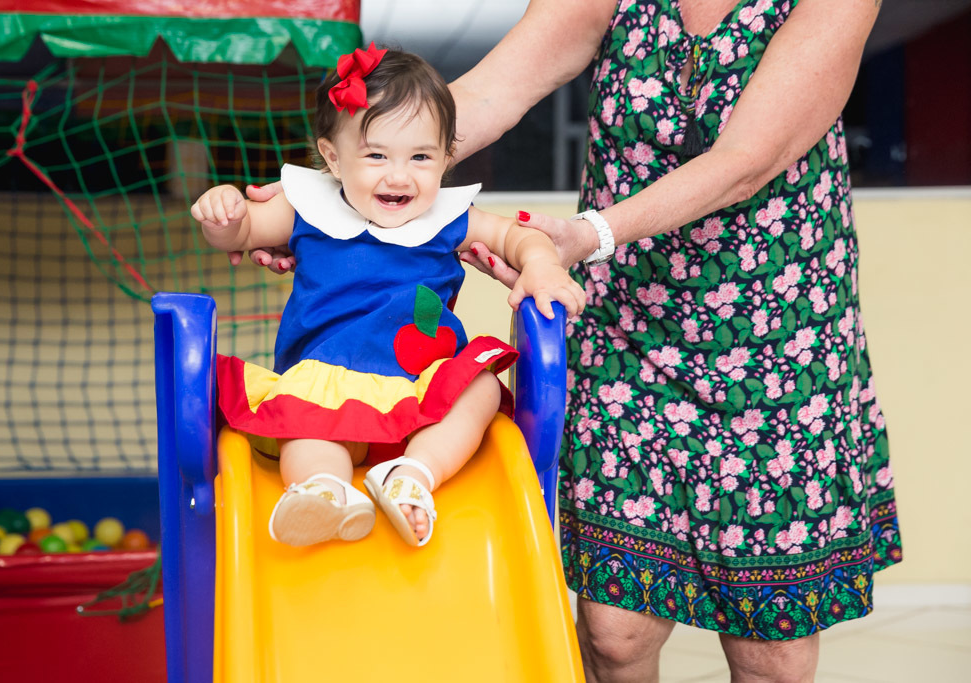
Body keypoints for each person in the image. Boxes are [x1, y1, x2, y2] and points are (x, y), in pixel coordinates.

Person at [242, 1, 902, 681]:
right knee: (616, 633)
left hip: (773, 338)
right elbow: (477, 100)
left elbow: (747, 157)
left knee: (772, 649)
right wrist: (330, 205)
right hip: (623, 318)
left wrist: (591, 234)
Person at [191, 44, 585, 550]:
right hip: (327, 383)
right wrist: (224, 213)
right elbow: (241, 232)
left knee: (482, 387)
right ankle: (325, 491)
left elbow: (519, 237)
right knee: (308, 435)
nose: (399, 176)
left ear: (446, 160)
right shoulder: (307, 209)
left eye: (421, 157)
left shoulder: (446, 218)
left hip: (421, 393)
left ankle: (414, 476)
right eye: (376, 155)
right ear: (333, 157)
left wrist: (543, 264)